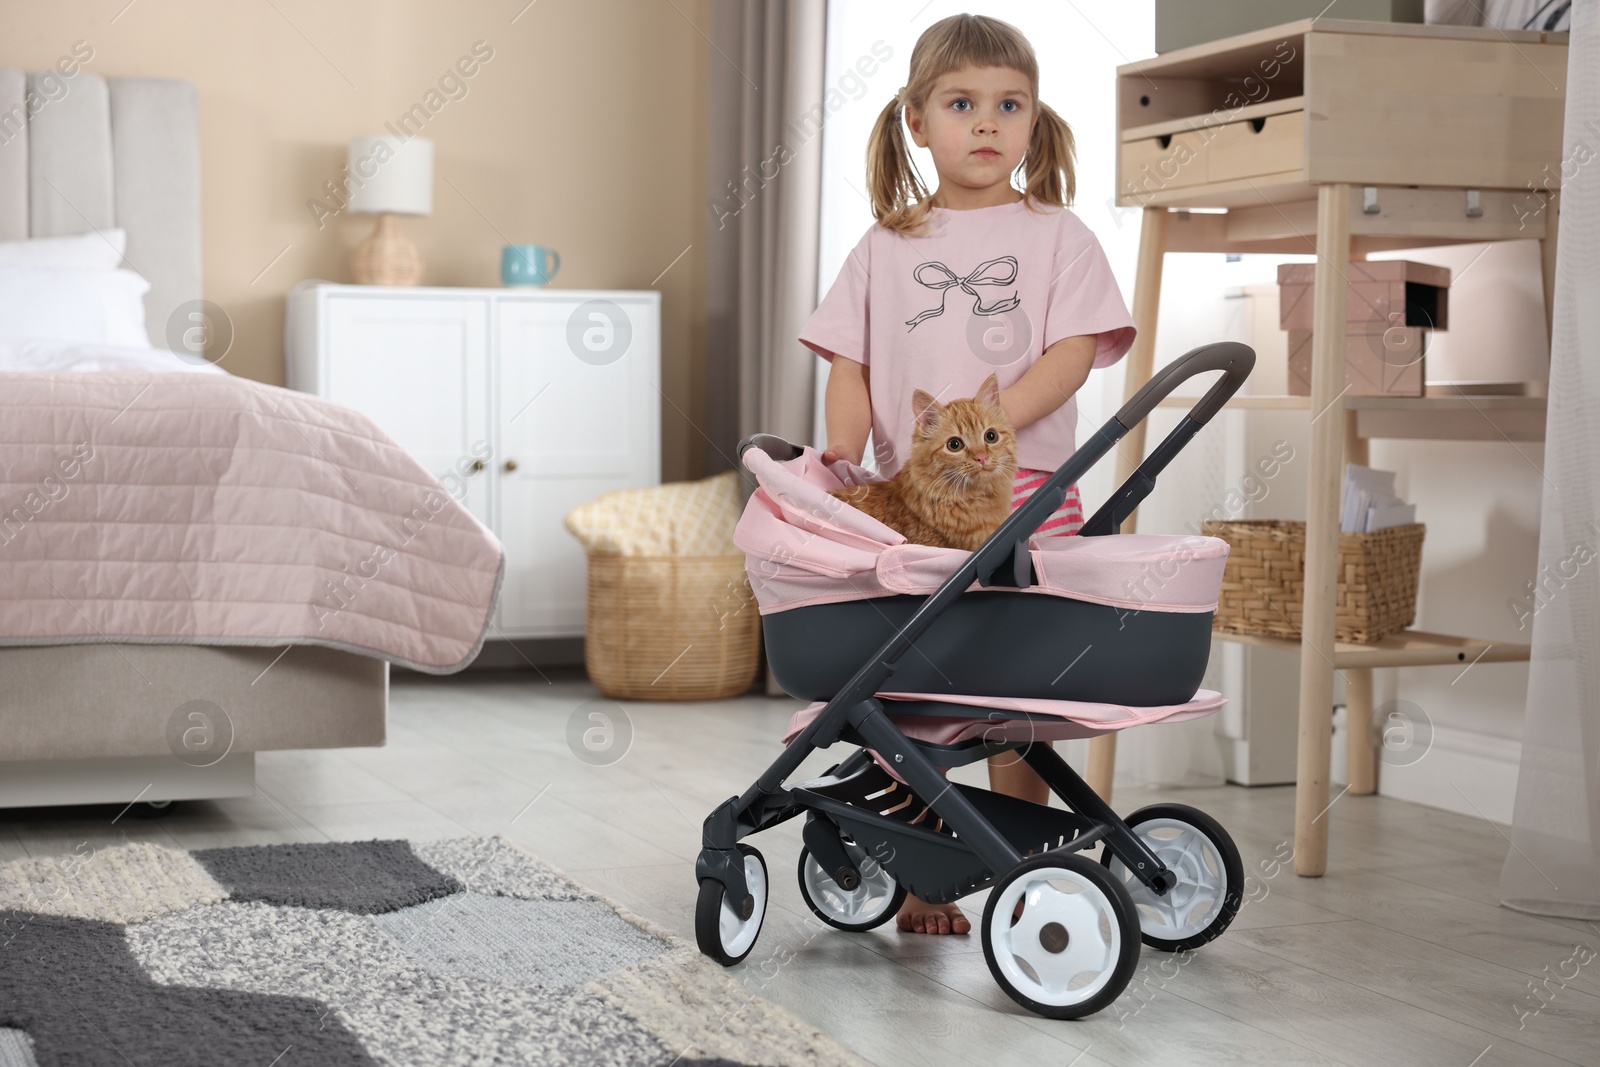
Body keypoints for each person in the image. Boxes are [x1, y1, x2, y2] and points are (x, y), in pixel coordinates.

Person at [798, 12, 1136, 935]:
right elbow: (849, 365)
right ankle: (925, 871)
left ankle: (1019, 856)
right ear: (917, 120)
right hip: (909, 505)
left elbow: (1072, 355)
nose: (986, 123)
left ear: (1033, 121)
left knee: (1010, 691)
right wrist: (835, 465)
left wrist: (989, 427)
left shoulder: (1057, 235)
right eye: (962, 104)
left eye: (1008, 105)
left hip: (1023, 491)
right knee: (913, 686)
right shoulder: (885, 245)